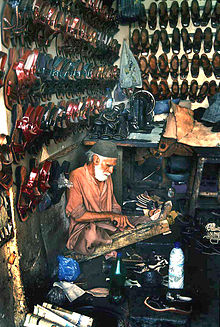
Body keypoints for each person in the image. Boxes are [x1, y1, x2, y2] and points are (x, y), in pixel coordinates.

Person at [66, 140, 170, 255]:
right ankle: (110, 243)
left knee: (131, 221)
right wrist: (111, 216)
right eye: (108, 165)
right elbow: (78, 216)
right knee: (92, 235)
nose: (111, 171)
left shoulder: (105, 176)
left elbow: (114, 206)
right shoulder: (76, 176)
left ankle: (151, 218)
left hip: (107, 224)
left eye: (112, 167)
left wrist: (119, 219)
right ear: (95, 160)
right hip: (85, 229)